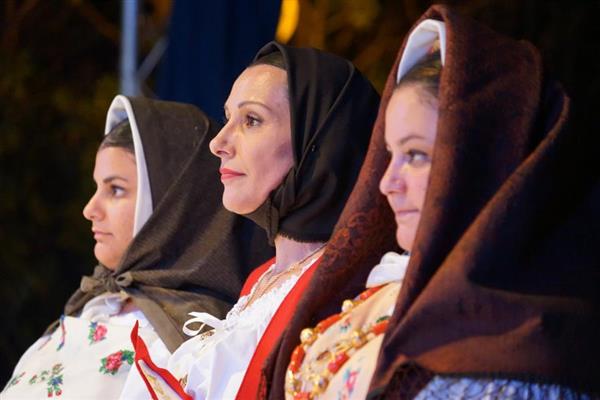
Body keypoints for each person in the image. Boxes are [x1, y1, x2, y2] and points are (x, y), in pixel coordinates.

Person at [260, 5, 600, 400]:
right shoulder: (380, 290)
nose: (387, 184)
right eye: (389, 155)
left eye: (416, 155)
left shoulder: (520, 351)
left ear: (487, 161)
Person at [131, 42, 380, 400]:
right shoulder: (261, 280)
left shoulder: (342, 285)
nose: (218, 142)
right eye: (227, 118)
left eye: (251, 120)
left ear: (320, 141)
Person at [1, 96, 273, 398]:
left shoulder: (199, 342)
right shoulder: (89, 307)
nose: (90, 209)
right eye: (97, 188)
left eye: (116, 189)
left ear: (172, 207)